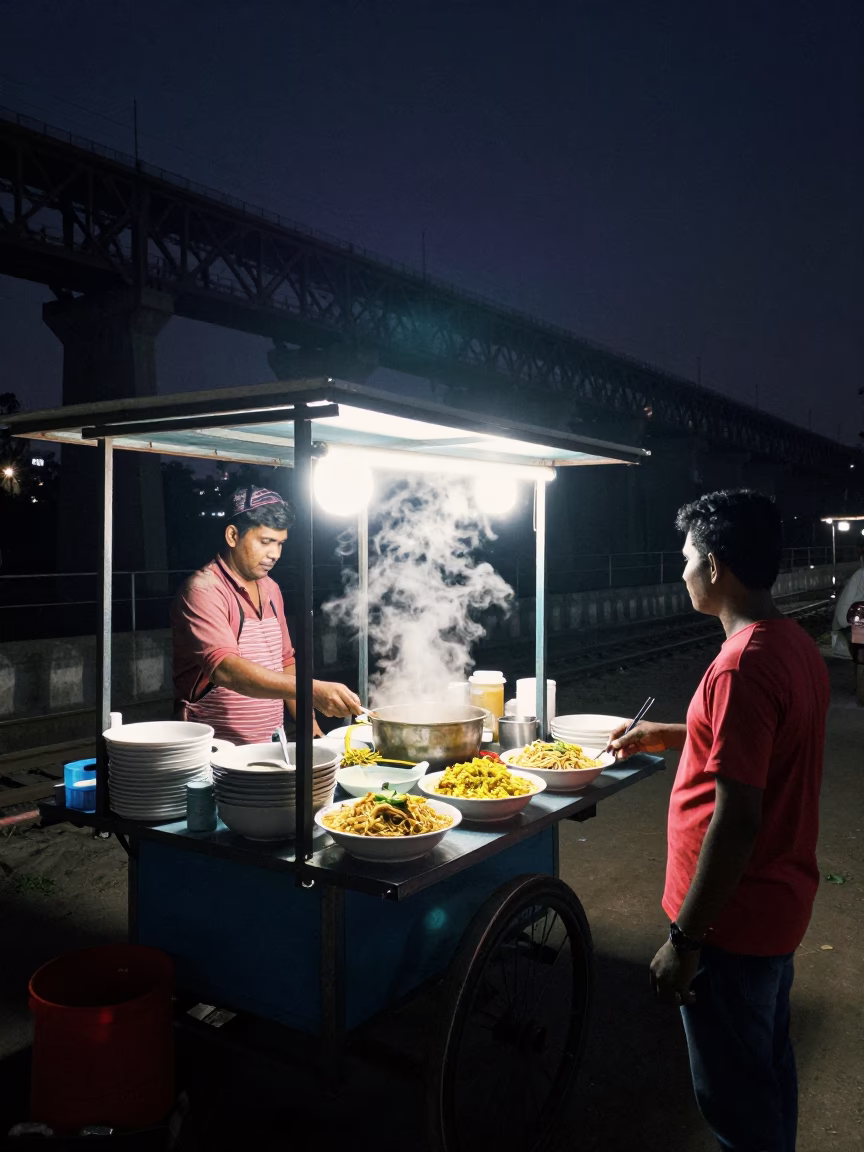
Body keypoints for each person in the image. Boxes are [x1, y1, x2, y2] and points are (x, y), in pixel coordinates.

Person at [609, 489, 830, 1152]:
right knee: (765, 1070)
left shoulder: (740, 666)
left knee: (733, 1104)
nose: (679, 571)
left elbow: (737, 819)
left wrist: (685, 939)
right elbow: (758, 745)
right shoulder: (789, 644)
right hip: (776, 908)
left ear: (715, 568)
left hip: (731, 925)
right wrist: (673, 734)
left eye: (686, 557)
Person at [171, 485, 361, 744]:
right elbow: (226, 670)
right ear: (232, 535)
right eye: (265, 541)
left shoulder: (271, 589)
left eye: (280, 543)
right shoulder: (203, 590)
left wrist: (311, 728)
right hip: (214, 751)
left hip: (271, 747)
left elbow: (285, 662)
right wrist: (312, 690)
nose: (274, 554)